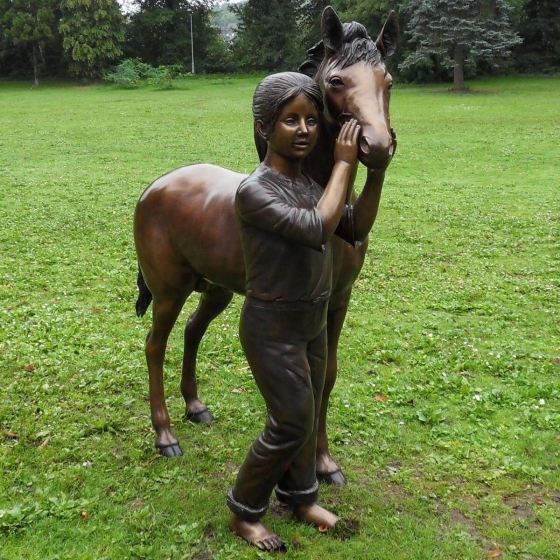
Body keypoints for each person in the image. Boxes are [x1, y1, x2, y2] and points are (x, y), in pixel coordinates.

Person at [228, 71, 360, 552]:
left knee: (304, 417)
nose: (304, 129)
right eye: (290, 121)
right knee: (291, 420)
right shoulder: (254, 191)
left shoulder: (308, 184)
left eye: (310, 119)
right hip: (272, 326)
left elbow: (353, 224)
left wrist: (376, 169)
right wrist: (344, 164)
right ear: (265, 129)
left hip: (312, 321)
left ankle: (302, 497)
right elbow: (317, 228)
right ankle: (244, 511)